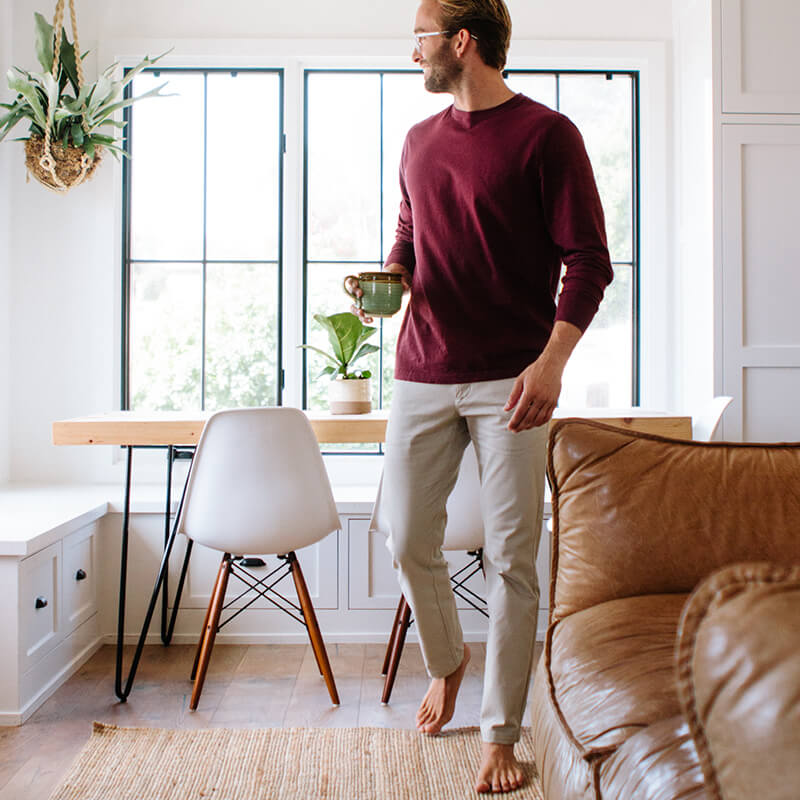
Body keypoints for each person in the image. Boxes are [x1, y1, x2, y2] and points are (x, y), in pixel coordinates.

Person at [350, 0, 613, 792]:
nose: (414, 54)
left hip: (513, 381)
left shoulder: (547, 136)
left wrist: (552, 363)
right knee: (403, 535)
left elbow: (590, 261)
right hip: (422, 369)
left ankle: (500, 733)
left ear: (462, 42)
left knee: (512, 560)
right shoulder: (418, 142)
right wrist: (387, 280)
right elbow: (409, 236)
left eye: (421, 38)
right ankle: (448, 660)